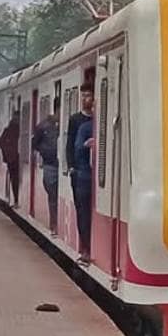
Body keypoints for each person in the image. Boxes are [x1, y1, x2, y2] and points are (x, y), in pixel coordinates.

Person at [67, 80, 95, 264]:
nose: (85, 99)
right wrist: (71, 165)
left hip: (91, 172)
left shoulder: (97, 121)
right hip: (80, 171)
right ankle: (85, 247)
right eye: (83, 95)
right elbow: (71, 144)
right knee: (82, 209)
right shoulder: (76, 120)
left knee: (86, 210)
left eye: (88, 95)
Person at [32, 99, 60, 234]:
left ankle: (55, 223)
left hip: (60, 166)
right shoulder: (43, 126)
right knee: (53, 195)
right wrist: (44, 153)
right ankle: (54, 224)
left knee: (54, 196)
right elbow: (34, 144)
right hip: (50, 165)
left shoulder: (63, 125)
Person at [72, 113, 94, 265]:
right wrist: (87, 144)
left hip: (92, 177)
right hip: (85, 176)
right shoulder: (85, 128)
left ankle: (87, 248)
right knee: (84, 213)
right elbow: (77, 148)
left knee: (84, 213)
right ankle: (86, 248)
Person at [0, 111, 21, 207]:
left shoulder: (7, 129)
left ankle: (15, 199)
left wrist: (6, 155)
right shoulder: (17, 129)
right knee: (15, 179)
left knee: (13, 178)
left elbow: (0, 143)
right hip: (15, 158)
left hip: (11, 158)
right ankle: (15, 199)